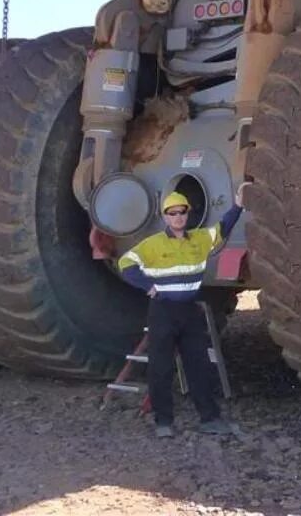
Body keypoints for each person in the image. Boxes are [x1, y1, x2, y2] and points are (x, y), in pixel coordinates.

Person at [118, 183, 245, 438]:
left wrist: (238, 206)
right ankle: (164, 421)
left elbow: (222, 229)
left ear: (187, 214)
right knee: (161, 368)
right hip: (163, 312)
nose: (178, 217)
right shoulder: (152, 245)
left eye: (182, 212)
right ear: (165, 216)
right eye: (172, 213)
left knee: (199, 365)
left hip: (189, 312)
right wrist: (148, 287)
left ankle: (209, 418)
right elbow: (125, 263)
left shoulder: (199, 240)